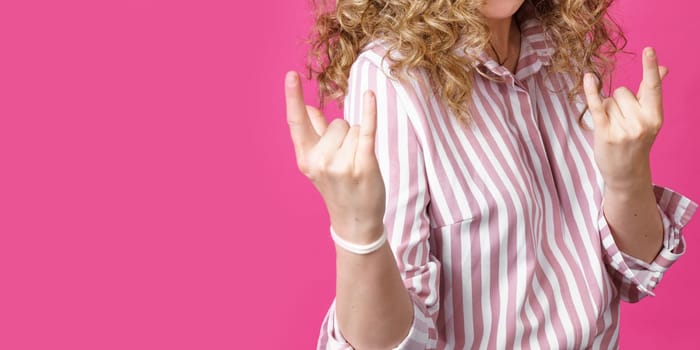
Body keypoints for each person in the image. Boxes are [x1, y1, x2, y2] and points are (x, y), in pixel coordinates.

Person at [284, 0, 699, 348]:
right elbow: (390, 342)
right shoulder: (392, 76)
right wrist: (358, 232)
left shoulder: (562, 49)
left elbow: (631, 273)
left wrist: (627, 178)